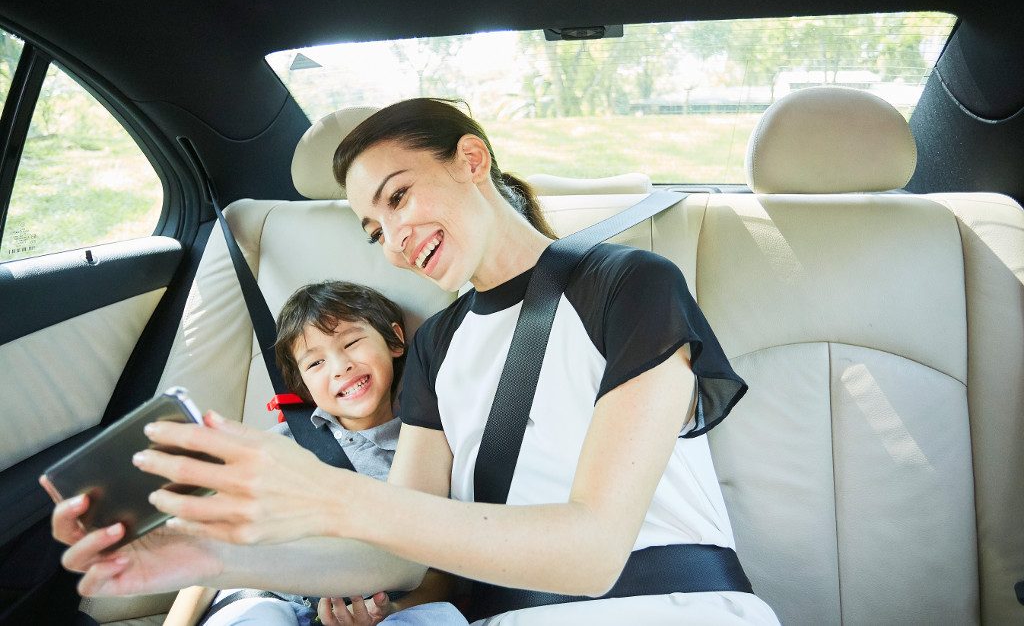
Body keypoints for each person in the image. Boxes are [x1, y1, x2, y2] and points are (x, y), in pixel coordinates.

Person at [51, 98, 780, 625]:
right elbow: (394, 560)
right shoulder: (436, 345)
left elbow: (593, 548)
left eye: (399, 197)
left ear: (471, 159)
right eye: (374, 229)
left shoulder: (629, 284)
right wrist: (209, 556)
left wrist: (323, 493)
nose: (395, 239)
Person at [202, 280, 466, 626]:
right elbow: (212, 548)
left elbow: (446, 572)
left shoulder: (423, 450)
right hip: (271, 595)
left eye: (352, 342)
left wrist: (388, 612)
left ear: (394, 340)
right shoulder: (279, 445)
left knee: (439, 620)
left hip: (383, 606)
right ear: (301, 385)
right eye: (315, 364)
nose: (340, 366)